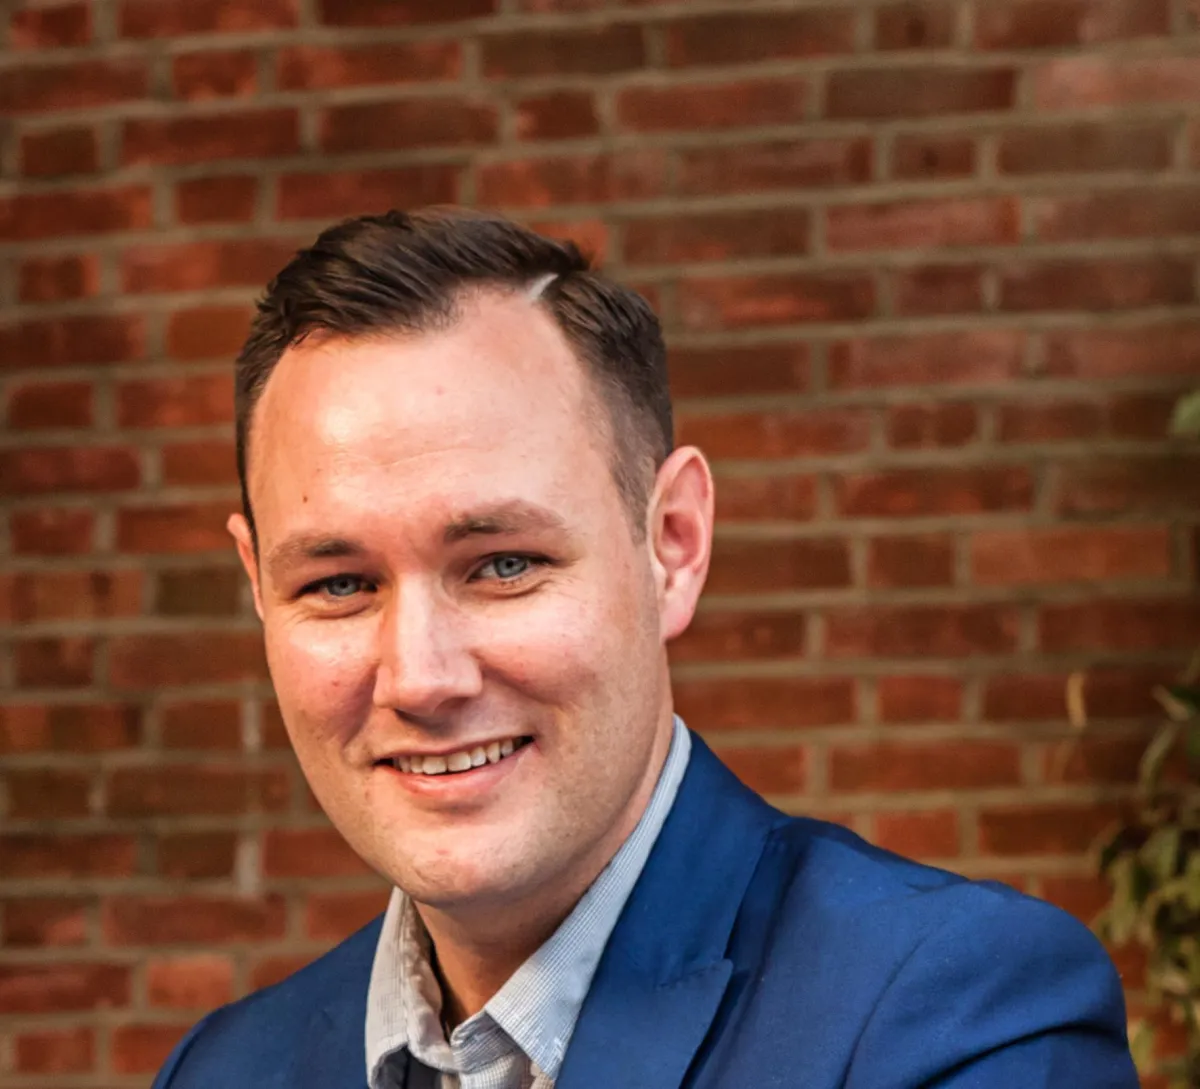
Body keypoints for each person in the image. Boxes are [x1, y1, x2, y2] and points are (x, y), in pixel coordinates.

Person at [151, 208, 1137, 1089]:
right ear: (257, 587)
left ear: (674, 546)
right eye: (339, 585)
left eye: (502, 565)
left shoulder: (958, 1018)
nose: (420, 677)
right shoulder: (223, 1069)